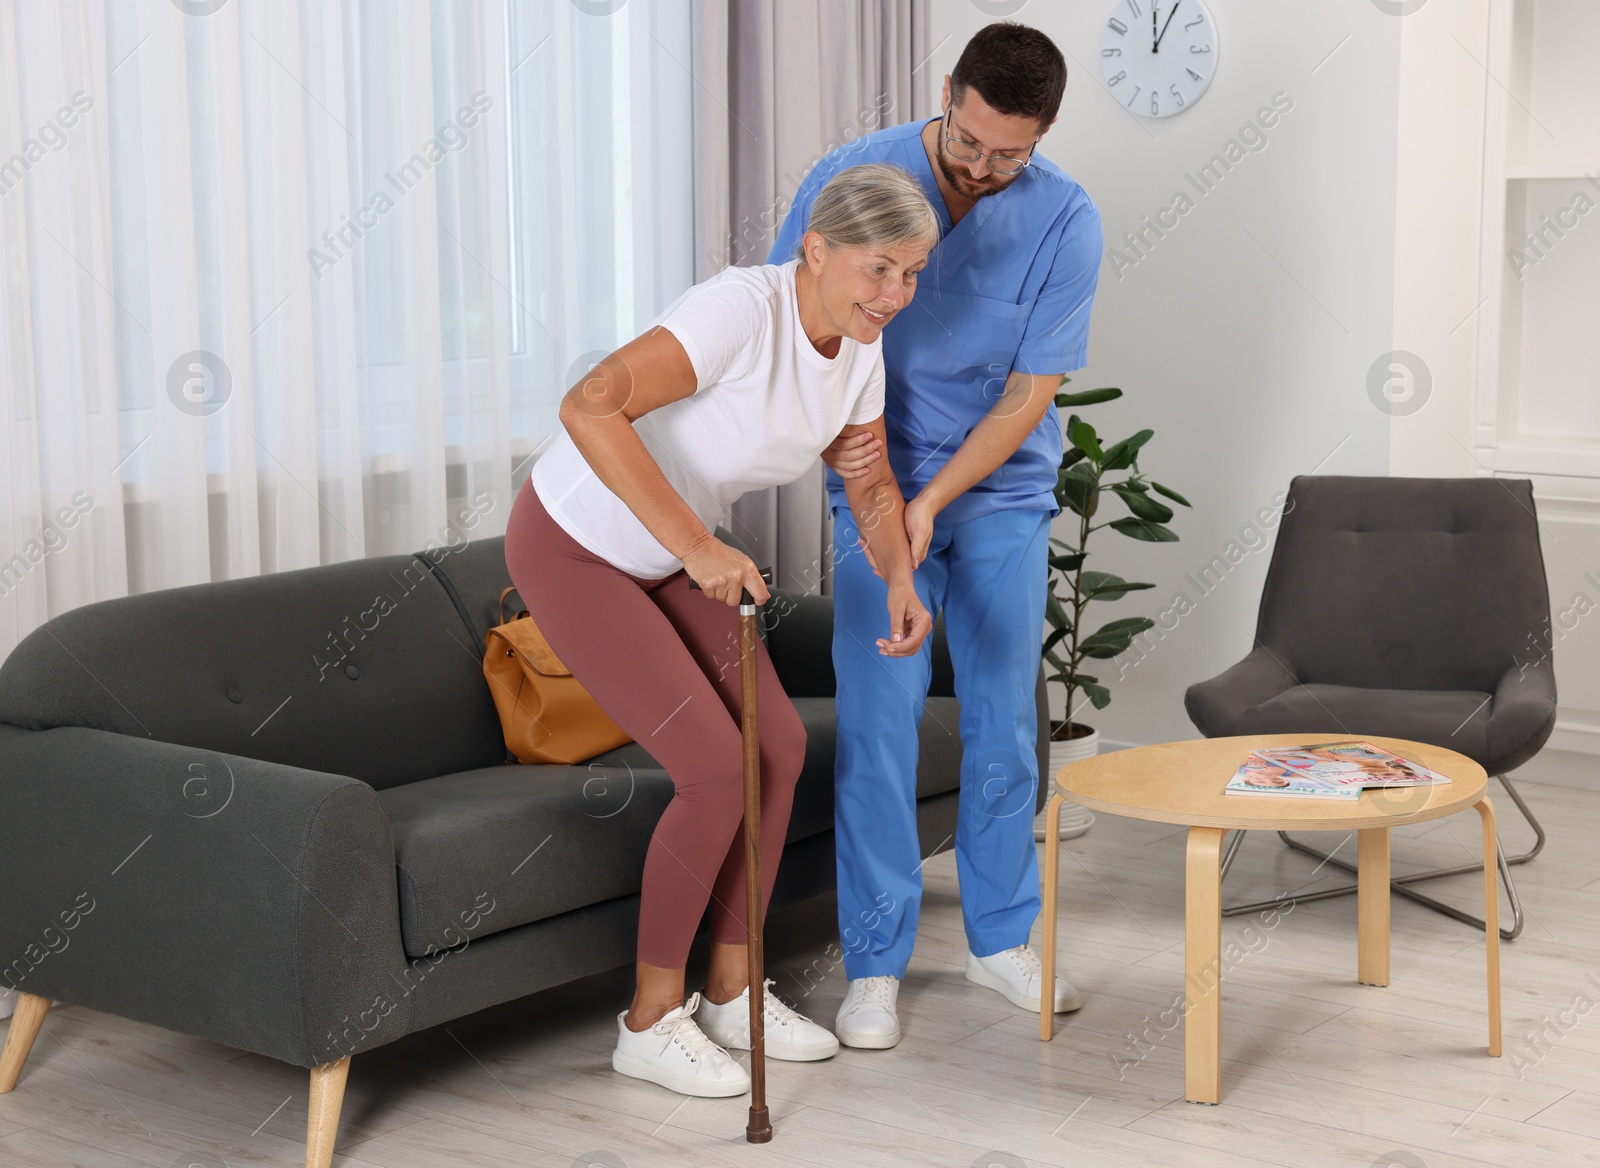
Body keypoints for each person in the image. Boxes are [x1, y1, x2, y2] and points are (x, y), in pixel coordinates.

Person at [505, 163, 939, 1097]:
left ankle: (732, 991)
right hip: (575, 544)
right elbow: (589, 403)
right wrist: (701, 545)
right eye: (877, 270)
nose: (895, 295)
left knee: (776, 749)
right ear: (816, 250)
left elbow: (868, 484)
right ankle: (648, 1022)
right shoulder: (740, 310)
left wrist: (900, 576)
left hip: (667, 555)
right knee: (711, 767)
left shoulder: (861, 351)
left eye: (911, 274)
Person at [767, 22, 1103, 1048]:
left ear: (1041, 136)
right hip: (871, 481)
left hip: (998, 490)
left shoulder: (1064, 218)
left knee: (1004, 717)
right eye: (968, 141)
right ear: (946, 93)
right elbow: (801, 339)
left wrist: (934, 501)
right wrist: (886, 503)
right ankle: (873, 966)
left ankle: (1003, 939)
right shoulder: (851, 177)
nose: (982, 168)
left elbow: (1028, 391)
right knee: (879, 720)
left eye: (1012, 153)